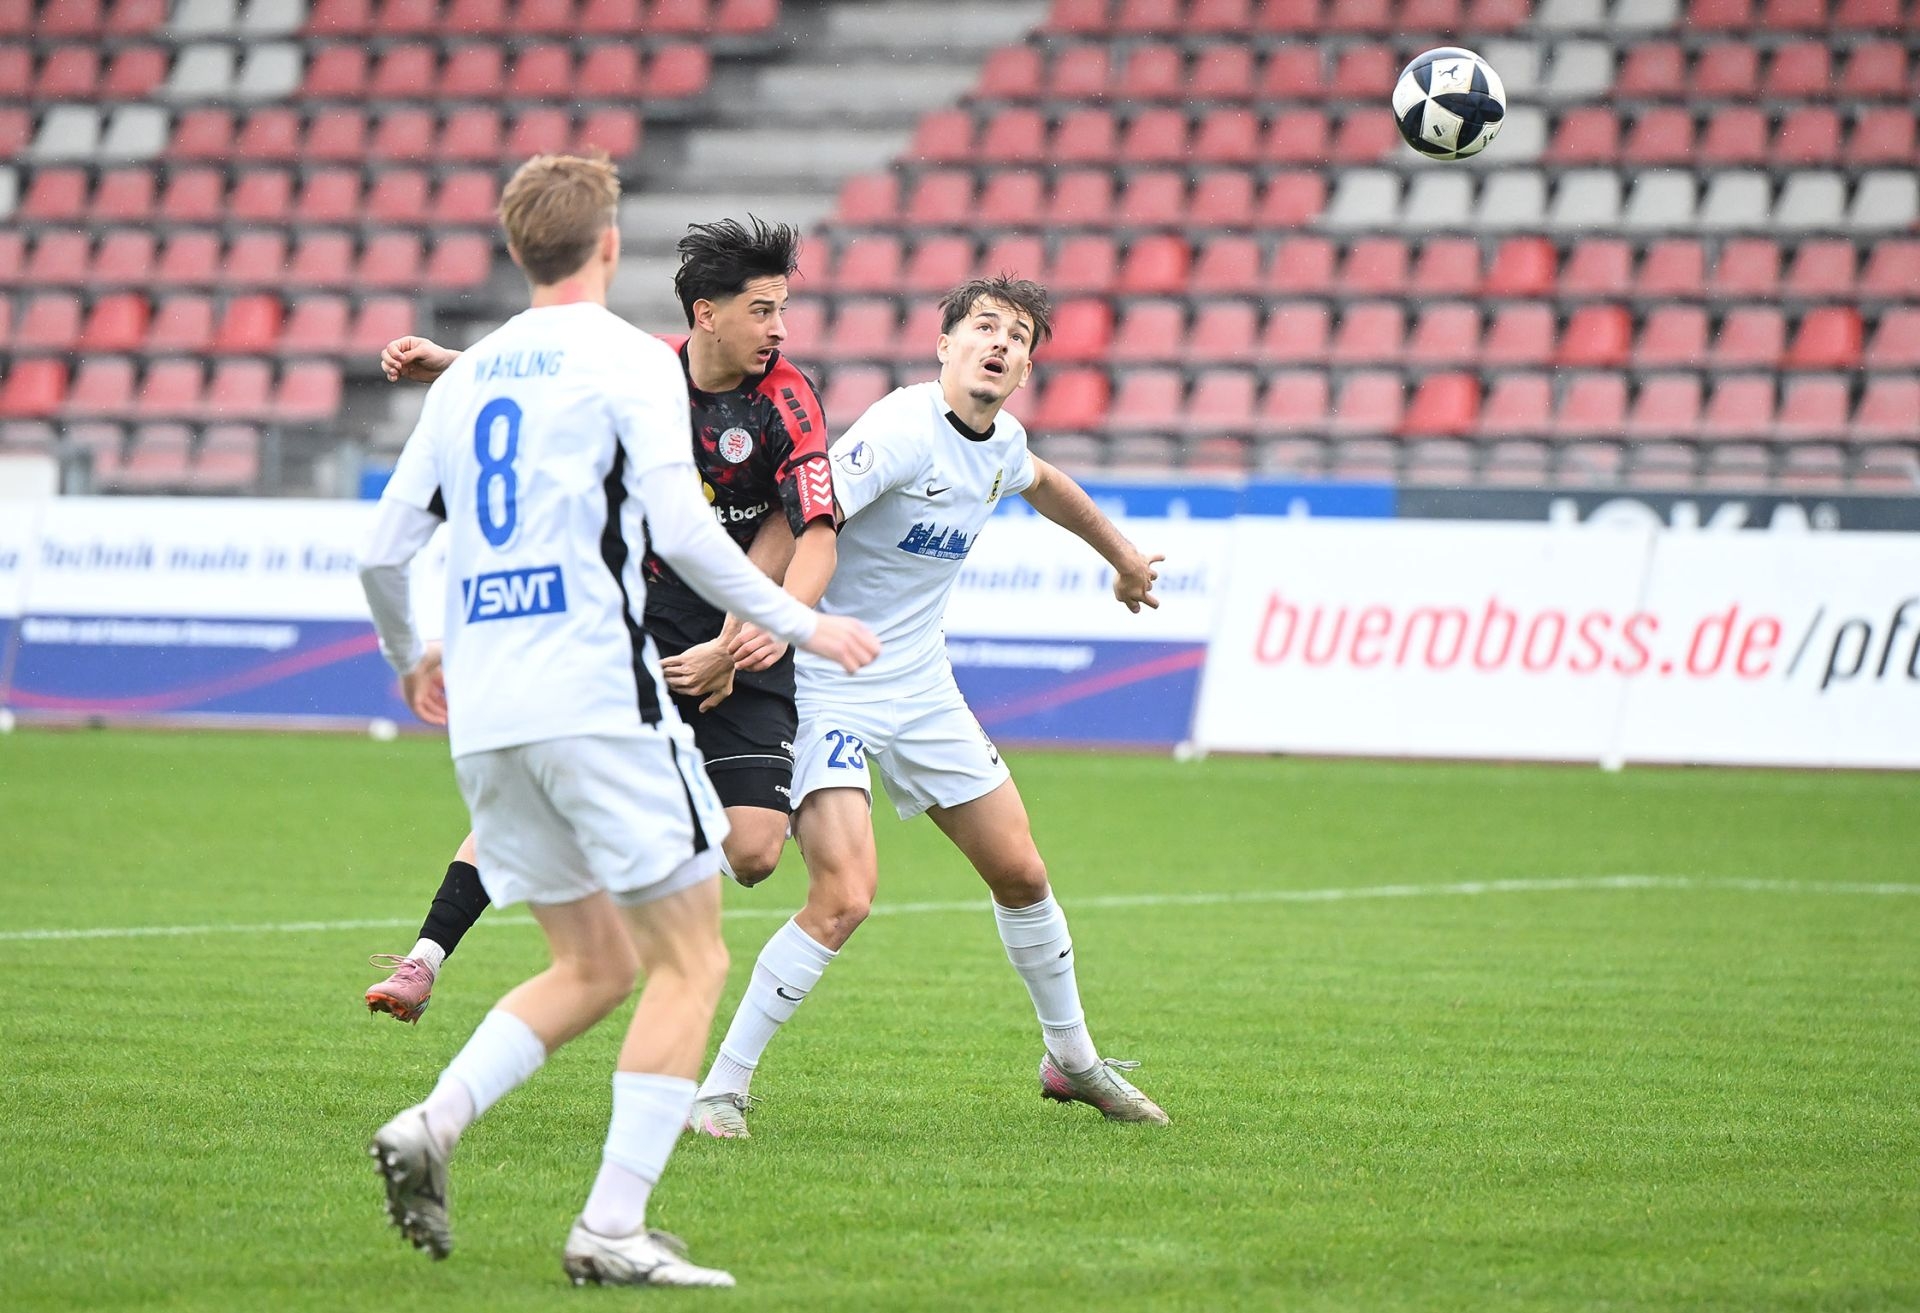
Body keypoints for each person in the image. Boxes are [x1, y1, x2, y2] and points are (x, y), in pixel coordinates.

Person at [356, 152, 878, 1287]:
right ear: (607, 247)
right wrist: (803, 622)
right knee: (690, 957)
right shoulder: (632, 362)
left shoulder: (469, 379)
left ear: (513, 248)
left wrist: (409, 659)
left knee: (593, 962)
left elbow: (381, 553)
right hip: (598, 692)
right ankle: (610, 1226)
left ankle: (430, 1123)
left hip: (486, 708)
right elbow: (684, 536)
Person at [687, 275, 1170, 1138]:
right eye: (984, 326)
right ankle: (721, 1088)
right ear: (944, 344)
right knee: (844, 897)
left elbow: (1043, 481)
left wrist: (1125, 557)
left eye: (1018, 336)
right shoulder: (900, 432)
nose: (1000, 342)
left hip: (920, 687)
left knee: (1022, 874)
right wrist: (744, 631)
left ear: (1025, 369)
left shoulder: (1001, 442)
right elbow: (799, 518)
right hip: (830, 683)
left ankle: (1071, 1059)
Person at [364, 217, 837, 1025]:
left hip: (741, 626)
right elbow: (544, 379)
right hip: (636, 616)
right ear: (706, 315)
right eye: (763, 311)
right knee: (536, 800)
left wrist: (758, 634)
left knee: (756, 852)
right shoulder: (644, 370)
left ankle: (631, 815)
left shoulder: (787, 399)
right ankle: (424, 957)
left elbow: (816, 535)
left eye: (782, 310)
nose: (780, 329)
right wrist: (448, 363)